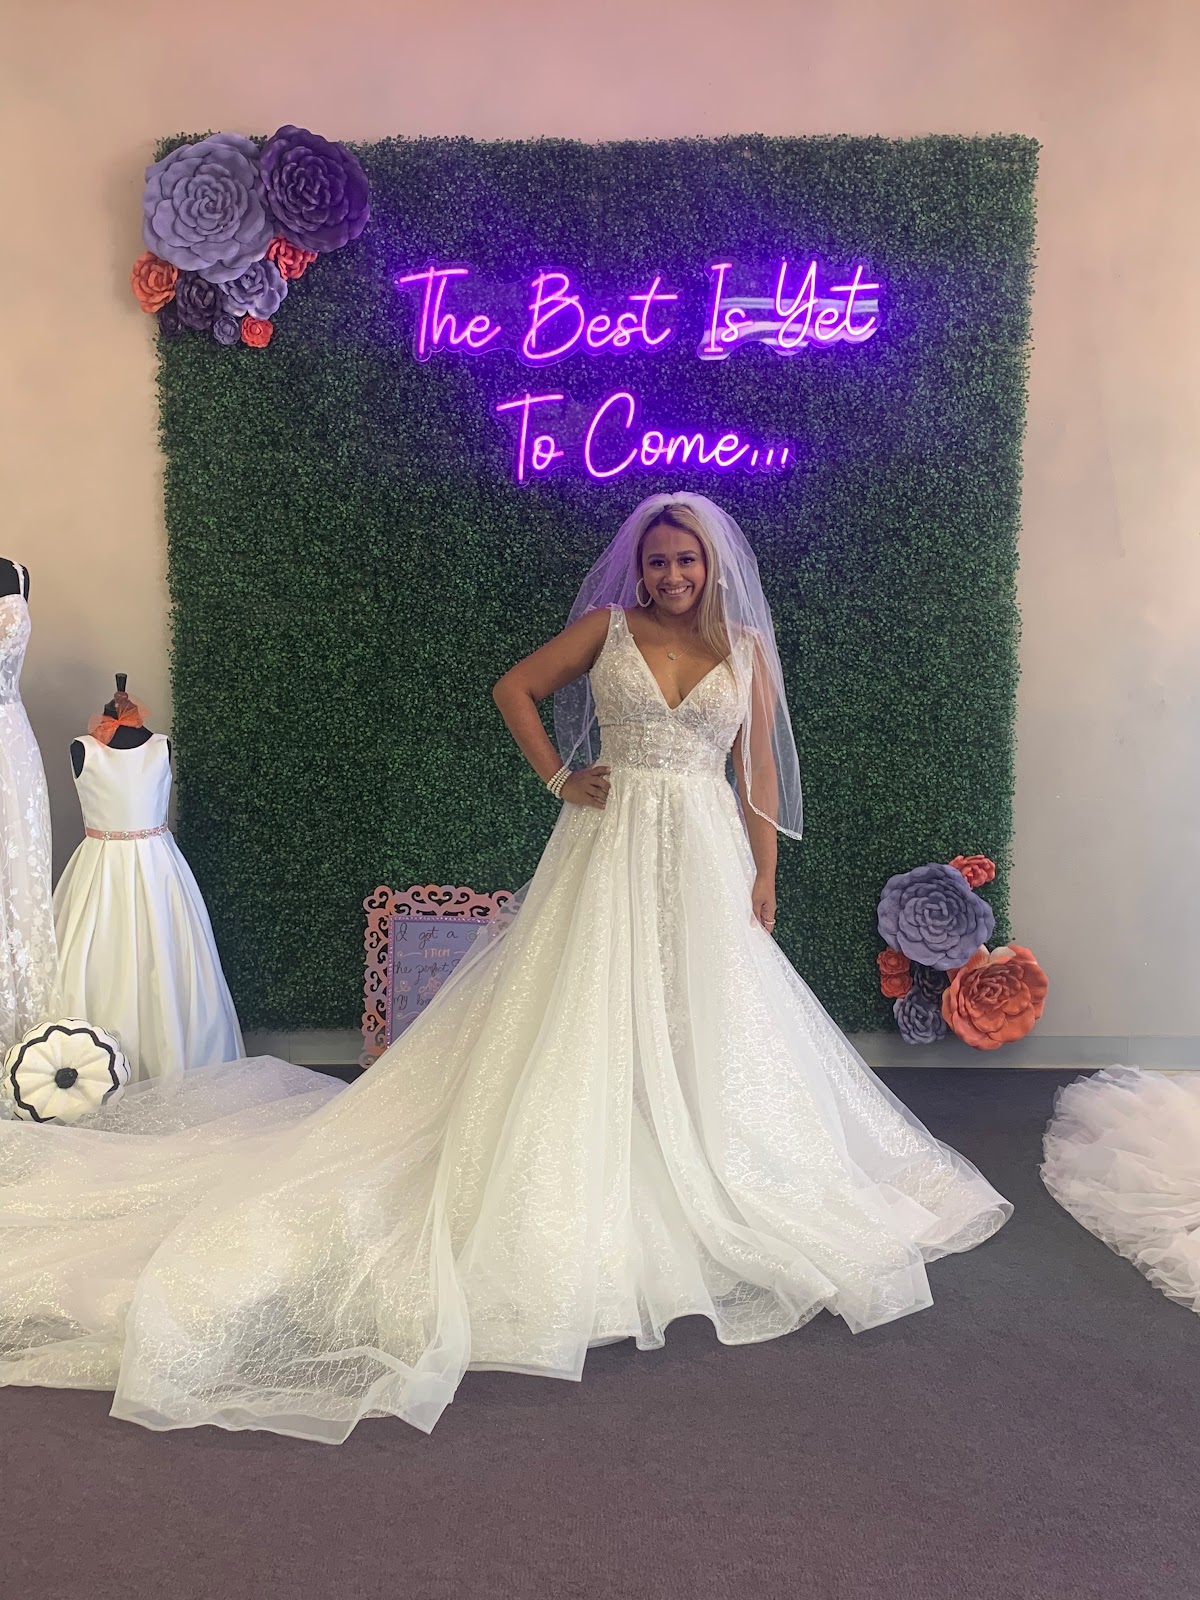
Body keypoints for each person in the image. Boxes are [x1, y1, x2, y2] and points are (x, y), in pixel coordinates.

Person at [0, 493, 1010, 1445]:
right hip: (609, 843)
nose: (672, 575)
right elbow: (514, 689)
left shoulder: (744, 649)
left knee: (713, 1010)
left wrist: (766, 874)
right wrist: (560, 774)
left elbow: (760, 773)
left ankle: (709, 1152)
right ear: (642, 566)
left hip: (706, 852)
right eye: (659, 561)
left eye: (686, 561)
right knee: (586, 1002)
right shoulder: (609, 629)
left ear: (711, 566)